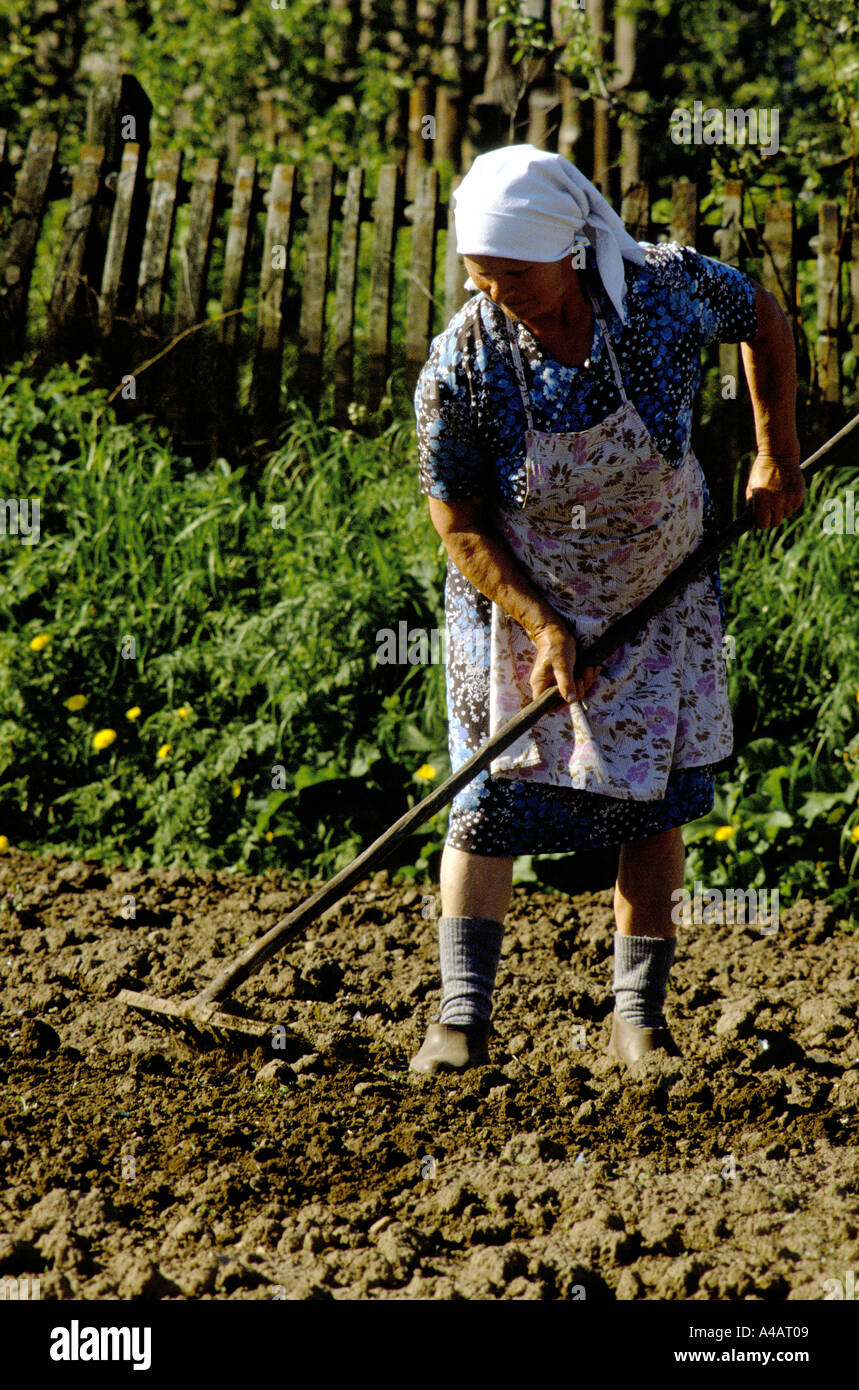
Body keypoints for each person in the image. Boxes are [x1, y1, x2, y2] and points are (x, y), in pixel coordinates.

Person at [409, 143, 805, 1075]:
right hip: (518, 594)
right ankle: (460, 1020)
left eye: (514, 271)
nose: (496, 289)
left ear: (571, 249)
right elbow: (459, 524)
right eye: (479, 272)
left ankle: (639, 1022)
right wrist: (546, 624)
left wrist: (774, 449)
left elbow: (763, 315)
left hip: (656, 592)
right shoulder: (460, 366)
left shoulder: (662, 294)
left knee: (650, 800)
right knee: (486, 804)